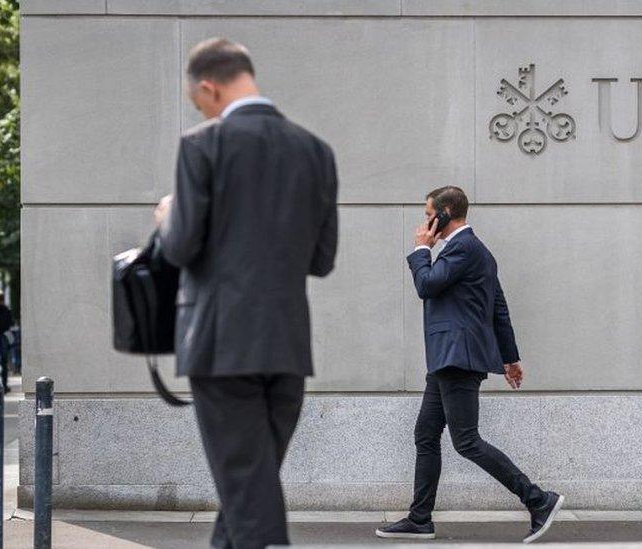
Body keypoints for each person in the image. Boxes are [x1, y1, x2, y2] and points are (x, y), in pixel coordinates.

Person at [156, 37, 338, 549]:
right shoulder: (316, 152)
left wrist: (168, 217)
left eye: (198, 101)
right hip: (286, 348)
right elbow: (322, 262)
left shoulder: (202, 145)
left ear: (208, 89)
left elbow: (181, 247)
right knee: (249, 491)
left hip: (221, 345)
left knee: (248, 496)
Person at [375, 187, 564, 544]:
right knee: (426, 434)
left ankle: (538, 500)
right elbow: (499, 308)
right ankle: (420, 519)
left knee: (466, 441)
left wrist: (420, 249)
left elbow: (427, 285)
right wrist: (510, 358)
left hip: (457, 357)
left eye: (429, 213)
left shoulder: (463, 248)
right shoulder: (477, 252)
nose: (425, 221)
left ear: (445, 212)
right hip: (449, 357)